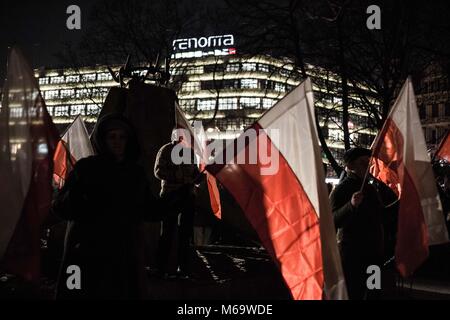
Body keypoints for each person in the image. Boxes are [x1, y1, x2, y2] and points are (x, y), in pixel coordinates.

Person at [52, 113, 158, 299]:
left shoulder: (135, 173)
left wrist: (179, 197)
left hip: (123, 255)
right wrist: (80, 199)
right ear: (103, 139)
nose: (117, 142)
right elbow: (61, 206)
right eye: (112, 136)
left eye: (122, 137)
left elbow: (149, 209)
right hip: (86, 252)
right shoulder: (86, 168)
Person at [329, 147, 397, 300]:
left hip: (373, 253)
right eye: (362, 163)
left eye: (368, 163)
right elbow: (333, 219)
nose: (367, 167)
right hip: (353, 255)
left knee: (373, 293)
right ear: (350, 166)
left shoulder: (370, 189)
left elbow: (381, 216)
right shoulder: (341, 189)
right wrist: (351, 205)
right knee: (354, 292)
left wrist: (400, 204)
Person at [154, 129, 201, 279]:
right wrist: (177, 177)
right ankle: (161, 268)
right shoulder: (166, 150)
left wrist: (198, 177)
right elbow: (158, 171)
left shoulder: (190, 152)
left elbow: (195, 171)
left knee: (186, 234)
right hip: (171, 196)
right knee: (167, 233)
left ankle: (184, 268)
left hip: (188, 196)